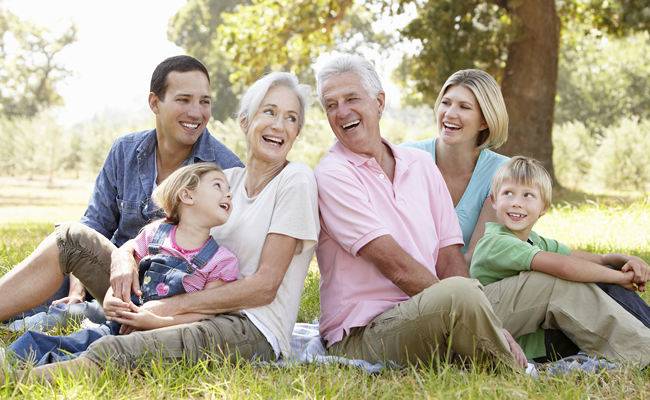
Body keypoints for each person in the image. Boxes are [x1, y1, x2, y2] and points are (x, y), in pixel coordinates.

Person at [1, 71, 319, 384]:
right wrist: (123, 263)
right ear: (245, 121)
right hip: (174, 296)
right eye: (270, 112)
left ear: (298, 131)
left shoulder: (296, 179)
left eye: (291, 118)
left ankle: (12, 380)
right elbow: (159, 234)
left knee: (117, 349)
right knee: (72, 238)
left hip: (247, 327)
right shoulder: (227, 180)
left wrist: (161, 312)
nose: (280, 124)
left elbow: (264, 286)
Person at [402, 69, 650, 360]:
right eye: (446, 102)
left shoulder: (502, 175)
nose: (449, 113)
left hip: (486, 293)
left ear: (485, 120)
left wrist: (616, 262)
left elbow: (549, 253)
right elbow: (473, 258)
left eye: (464, 106)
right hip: (435, 298)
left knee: (594, 282)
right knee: (558, 281)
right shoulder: (408, 160)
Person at [314, 55, 526, 368]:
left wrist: (473, 312)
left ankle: (623, 351)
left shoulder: (421, 164)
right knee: (462, 294)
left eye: (351, 98)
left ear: (379, 102)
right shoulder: (333, 175)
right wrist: (468, 312)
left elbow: (449, 255)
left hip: (426, 312)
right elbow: (395, 265)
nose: (341, 112)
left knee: (542, 287)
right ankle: (515, 376)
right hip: (364, 335)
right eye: (330, 105)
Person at [0, 55, 243, 324]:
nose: (196, 113)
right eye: (183, 100)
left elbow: (229, 260)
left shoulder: (227, 169)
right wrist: (78, 288)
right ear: (155, 103)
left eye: (204, 102)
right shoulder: (125, 151)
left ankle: (76, 316)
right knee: (59, 252)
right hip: (111, 274)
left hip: (168, 295)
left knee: (49, 312)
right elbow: (95, 225)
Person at [4, 163, 238, 371]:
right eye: (219, 186)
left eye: (230, 191)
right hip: (121, 324)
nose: (228, 194)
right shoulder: (154, 235)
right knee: (68, 341)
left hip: (160, 336)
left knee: (93, 356)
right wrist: (110, 299)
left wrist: (156, 322)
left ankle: (27, 375)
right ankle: (9, 358)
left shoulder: (222, 261)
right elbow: (123, 274)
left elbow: (205, 311)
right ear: (186, 195)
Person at [470, 156, 650, 366]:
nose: (516, 202)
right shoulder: (495, 242)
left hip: (538, 335)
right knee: (564, 279)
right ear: (493, 200)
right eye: (507, 193)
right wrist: (620, 277)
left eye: (528, 195)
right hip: (495, 329)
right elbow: (566, 267)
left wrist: (630, 260)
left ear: (544, 207)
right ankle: (642, 348)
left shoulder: (535, 241)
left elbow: (600, 260)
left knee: (601, 274)